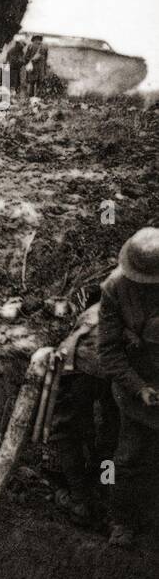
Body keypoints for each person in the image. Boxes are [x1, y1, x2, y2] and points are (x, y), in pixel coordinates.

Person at [97, 227, 159, 547]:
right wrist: (139, 388)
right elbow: (108, 351)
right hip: (136, 391)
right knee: (128, 458)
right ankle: (121, 519)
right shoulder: (114, 289)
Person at [47, 303, 119, 524]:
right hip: (120, 369)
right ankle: (104, 494)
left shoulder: (117, 291)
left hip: (86, 363)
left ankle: (81, 500)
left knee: (67, 432)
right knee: (112, 436)